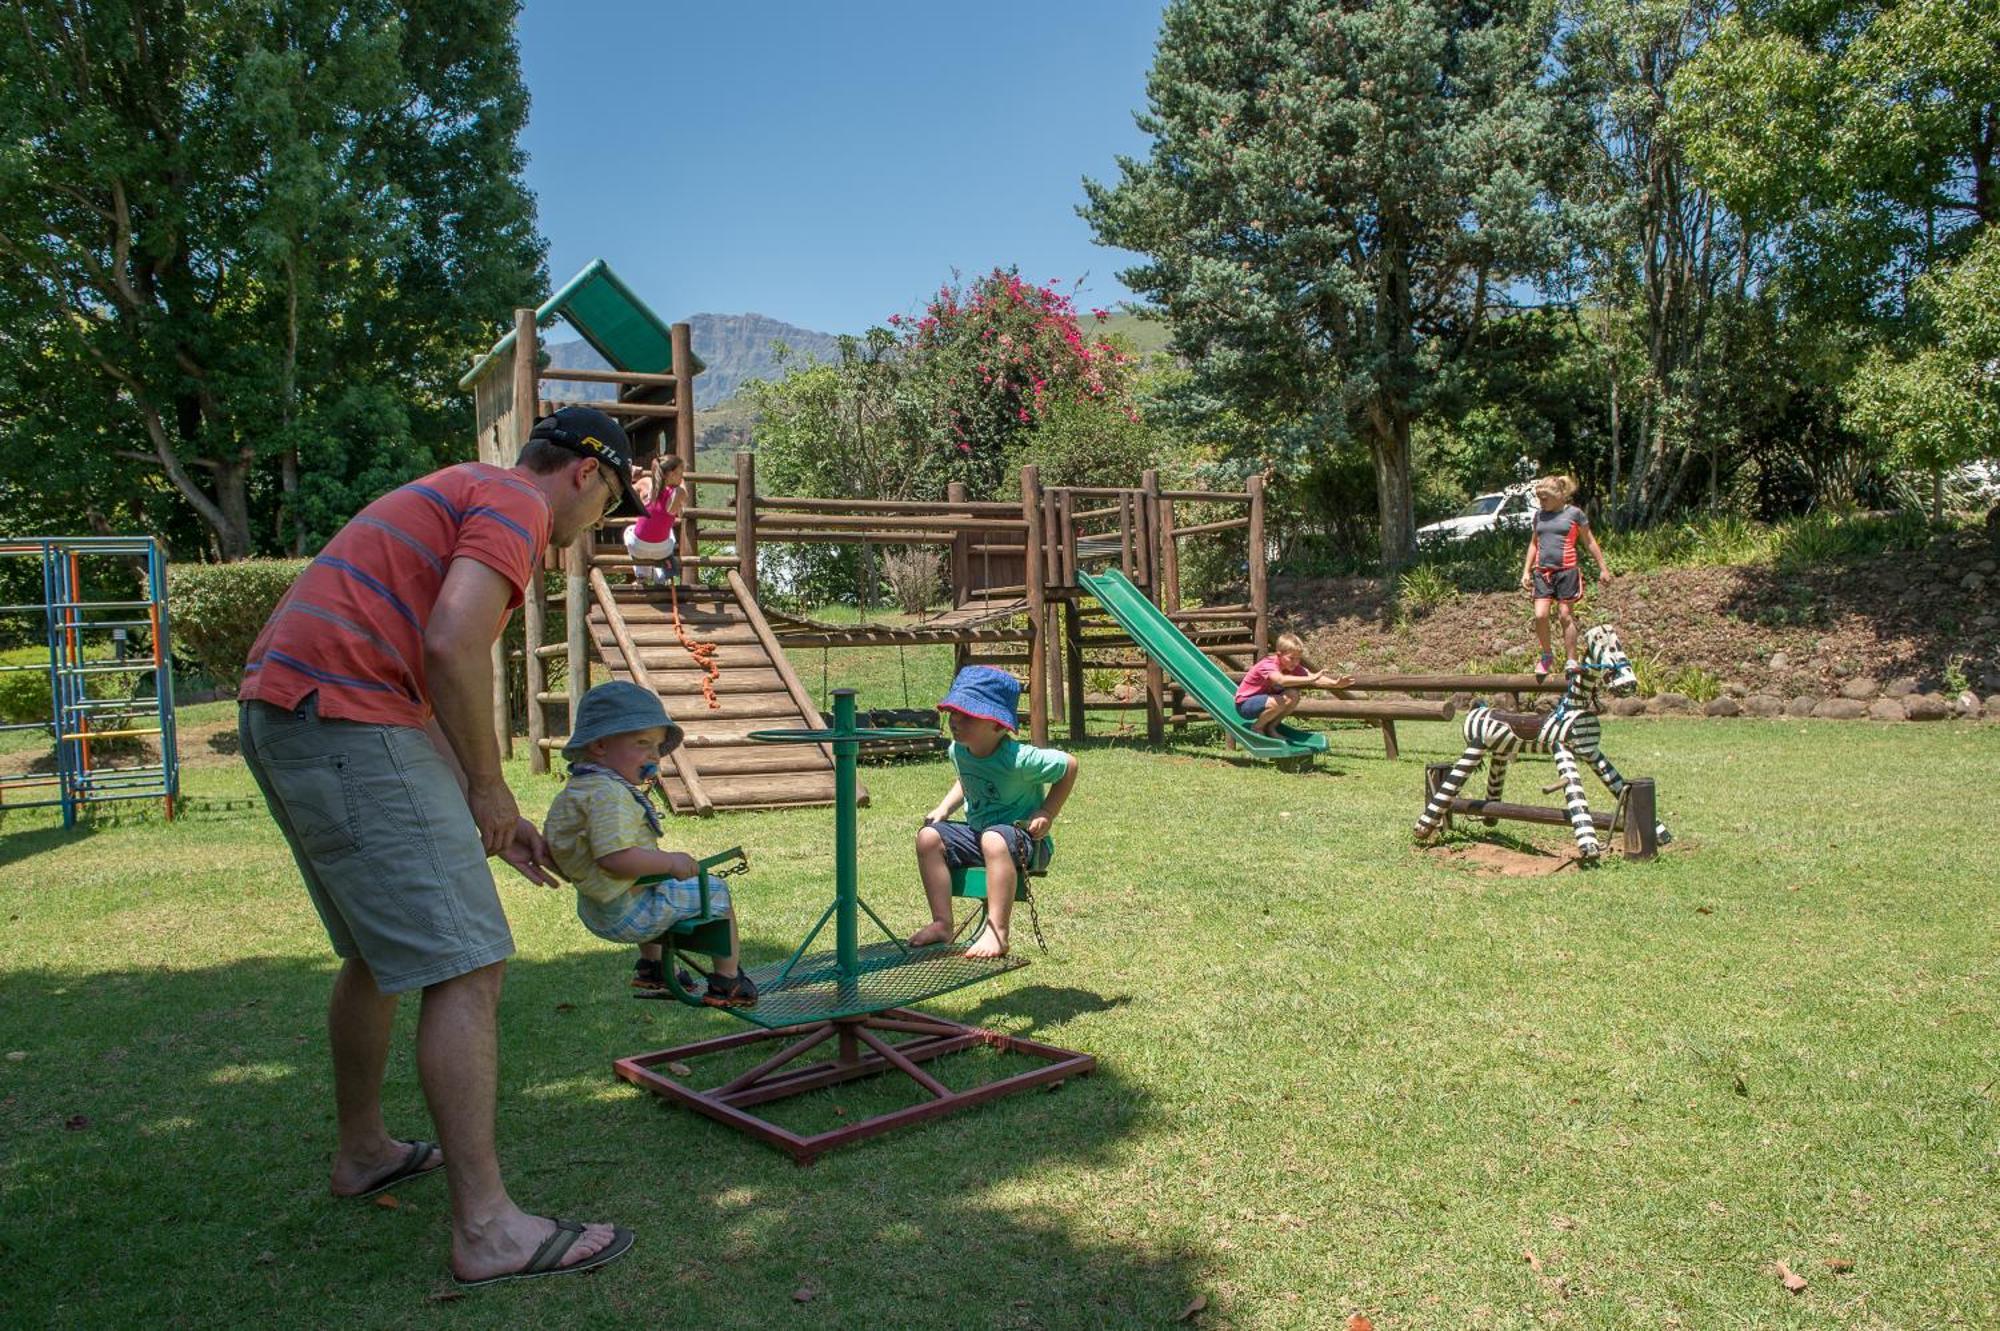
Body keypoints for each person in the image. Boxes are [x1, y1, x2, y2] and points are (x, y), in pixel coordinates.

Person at [237, 404, 643, 1288]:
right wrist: (493, 787)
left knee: (382, 958)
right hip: (343, 712)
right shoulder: (516, 503)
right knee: (469, 964)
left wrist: (481, 807)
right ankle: (490, 1229)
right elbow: (453, 644)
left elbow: (416, 680)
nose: (587, 533)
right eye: (605, 506)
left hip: (289, 706)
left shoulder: (458, 489)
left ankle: (365, 1149)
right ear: (584, 472)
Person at [542, 681, 757, 1007]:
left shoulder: (583, 786)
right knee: (716, 892)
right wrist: (670, 862)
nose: (653, 755)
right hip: (625, 913)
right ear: (600, 746)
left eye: (657, 746)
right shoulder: (608, 795)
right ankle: (728, 982)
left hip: (597, 905)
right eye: (642, 743)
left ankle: (653, 969)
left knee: (657, 883)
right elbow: (614, 858)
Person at [907, 666, 1077, 959]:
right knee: (928, 838)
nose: (955, 721)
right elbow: (966, 779)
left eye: (968, 715)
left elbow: (1070, 765)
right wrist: (944, 808)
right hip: (979, 836)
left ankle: (997, 932)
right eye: (953, 712)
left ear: (998, 725)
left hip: (1025, 842)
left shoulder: (1021, 759)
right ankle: (942, 923)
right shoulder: (958, 750)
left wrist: (1047, 812)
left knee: (994, 840)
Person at [1519, 474, 1613, 676]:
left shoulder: (1575, 514)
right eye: (1539, 498)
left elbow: (1589, 541)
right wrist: (1526, 570)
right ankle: (1546, 656)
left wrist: (1603, 568)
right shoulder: (1539, 516)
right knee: (1540, 615)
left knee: (1565, 615)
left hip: (1567, 571)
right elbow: (1534, 543)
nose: (1541, 502)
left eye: (1545, 498)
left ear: (1560, 496)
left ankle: (1571, 659)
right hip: (1543, 573)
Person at [1234, 632, 1354, 736]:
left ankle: (1271, 727)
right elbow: (1281, 680)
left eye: (1298, 658)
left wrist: (1335, 683)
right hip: (1245, 705)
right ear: (1279, 654)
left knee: (1293, 694)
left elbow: (1314, 677)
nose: (1296, 662)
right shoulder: (1268, 665)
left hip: (1266, 701)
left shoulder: (1292, 666)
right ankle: (1257, 728)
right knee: (1279, 701)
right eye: (1291, 658)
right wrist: (1312, 679)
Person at [622, 453, 685, 586]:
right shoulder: (677, 493)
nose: (682, 475)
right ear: (671, 474)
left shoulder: (646, 482)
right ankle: (661, 576)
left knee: (629, 530)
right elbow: (684, 490)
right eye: (681, 472)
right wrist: (680, 481)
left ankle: (642, 574)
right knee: (670, 534)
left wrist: (631, 475)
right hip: (662, 551)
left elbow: (625, 491)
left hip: (637, 547)